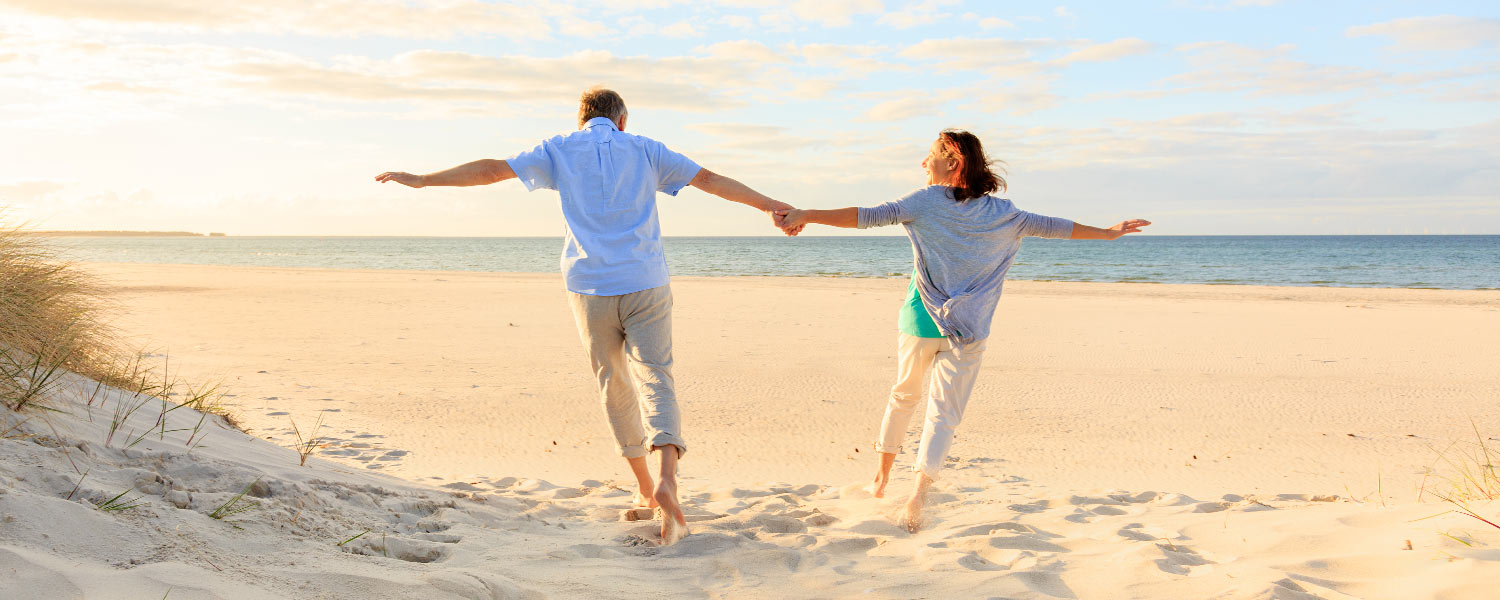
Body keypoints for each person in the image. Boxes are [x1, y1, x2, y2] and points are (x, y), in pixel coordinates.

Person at [376, 87, 796, 544]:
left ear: (582, 120)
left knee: (612, 383)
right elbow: (710, 180)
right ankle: (667, 480)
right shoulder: (645, 148)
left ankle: (643, 489)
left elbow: (491, 170)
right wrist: (773, 206)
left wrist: (421, 180)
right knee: (656, 377)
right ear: (622, 120)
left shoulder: (559, 148)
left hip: (589, 287)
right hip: (645, 281)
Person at [774, 129, 1150, 532]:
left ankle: (880, 482)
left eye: (930, 155)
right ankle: (917, 497)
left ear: (952, 161)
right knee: (944, 415)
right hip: (969, 327)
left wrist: (805, 214)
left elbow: (864, 216)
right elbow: (1057, 226)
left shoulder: (924, 202)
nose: (924, 163)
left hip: (921, 317)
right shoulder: (1006, 214)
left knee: (903, 396)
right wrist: (1108, 233)